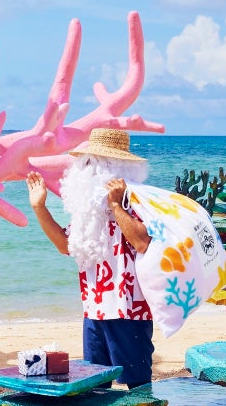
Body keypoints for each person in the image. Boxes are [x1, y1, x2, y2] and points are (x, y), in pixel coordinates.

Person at [25, 128, 156, 388]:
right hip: (95, 307)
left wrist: (117, 206)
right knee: (95, 382)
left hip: (130, 308)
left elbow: (142, 242)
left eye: (94, 163)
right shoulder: (89, 211)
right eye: (85, 163)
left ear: (117, 167)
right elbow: (65, 245)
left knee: (137, 383)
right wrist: (39, 207)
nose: (87, 171)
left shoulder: (140, 200)